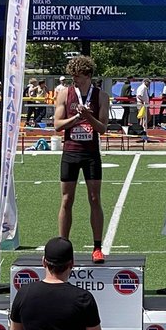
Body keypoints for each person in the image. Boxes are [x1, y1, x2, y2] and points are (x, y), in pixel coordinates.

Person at [54, 56, 109, 263]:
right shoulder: (63, 94)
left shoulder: (101, 96)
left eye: (77, 76)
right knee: (67, 199)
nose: (74, 80)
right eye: (72, 76)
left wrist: (88, 116)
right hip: (70, 151)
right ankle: (63, 247)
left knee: (94, 198)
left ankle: (97, 247)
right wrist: (76, 118)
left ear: (88, 75)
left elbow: (102, 128)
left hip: (91, 153)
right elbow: (57, 125)